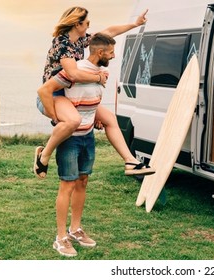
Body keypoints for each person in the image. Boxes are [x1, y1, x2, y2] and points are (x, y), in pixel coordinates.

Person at [34, 6, 154, 179]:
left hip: (69, 95)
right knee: (74, 120)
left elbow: (108, 32)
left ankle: (130, 162)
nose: (89, 25)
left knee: (109, 119)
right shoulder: (62, 43)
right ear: (77, 24)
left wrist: (135, 24)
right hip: (53, 95)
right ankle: (43, 155)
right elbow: (73, 74)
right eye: (87, 22)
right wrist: (97, 78)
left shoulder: (80, 40)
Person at [49, 33, 118, 257]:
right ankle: (60, 238)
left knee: (83, 181)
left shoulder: (101, 73)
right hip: (70, 138)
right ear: (100, 53)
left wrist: (94, 117)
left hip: (87, 136)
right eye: (111, 52)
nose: (113, 55)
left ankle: (75, 229)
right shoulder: (73, 71)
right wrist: (57, 118)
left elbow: (89, 102)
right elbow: (48, 91)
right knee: (66, 185)